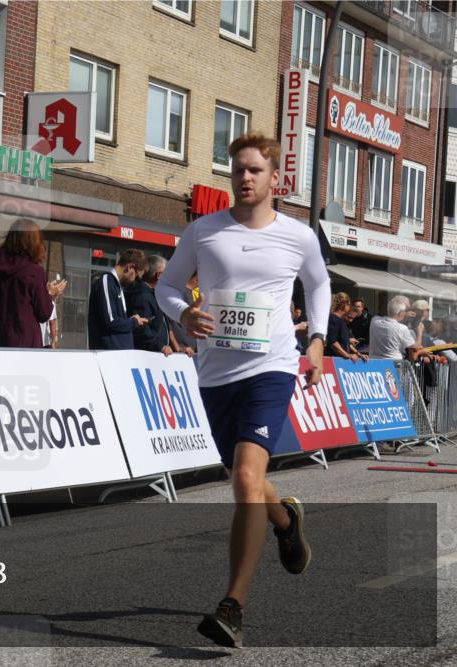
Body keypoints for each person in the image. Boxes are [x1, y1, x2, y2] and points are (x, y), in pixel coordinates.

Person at [156, 133, 331, 649]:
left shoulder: (298, 236)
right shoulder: (203, 231)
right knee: (245, 480)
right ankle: (285, 520)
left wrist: (316, 342)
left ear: (275, 177)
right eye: (238, 171)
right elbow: (167, 287)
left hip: (271, 367)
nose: (246, 178)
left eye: (255, 170)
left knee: (247, 478)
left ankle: (233, 604)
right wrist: (183, 313)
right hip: (214, 373)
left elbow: (318, 285)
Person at [0, 218, 66, 348]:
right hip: (25, 348)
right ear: (34, 243)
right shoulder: (34, 272)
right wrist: (49, 295)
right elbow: (43, 314)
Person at [87, 249, 149, 350]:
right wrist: (133, 322)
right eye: (137, 276)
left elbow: (114, 320)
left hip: (120, 355)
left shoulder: (116, 285)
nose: (135, 281)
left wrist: (132, 321)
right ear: (130, 267)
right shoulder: (106, 281)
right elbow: (110, 321)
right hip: (109, 356)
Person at [126, 254, 174, 355]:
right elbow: (142, 329)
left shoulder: (153, 294)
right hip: (147, 358)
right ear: (159, 275)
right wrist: (160, 346)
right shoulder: (142, 296)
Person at [369, 295, 431, 361]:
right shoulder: (402, 328)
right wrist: (420, 332)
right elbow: (415, 348)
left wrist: (404, 316)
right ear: (401, 313)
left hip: (374, 363)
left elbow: (392, 321)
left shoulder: (374, 321)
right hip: (393, 364)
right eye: (406, 310)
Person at [326, 292, 364, 361]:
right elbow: (332, 342)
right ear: (344, 305)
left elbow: (344, 341)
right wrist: (347, 355)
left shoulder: (341, 321)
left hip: (342, 363)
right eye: (349, 304)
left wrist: (358, 353)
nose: (350, 307)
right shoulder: (333, 319)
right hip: (333, 361)